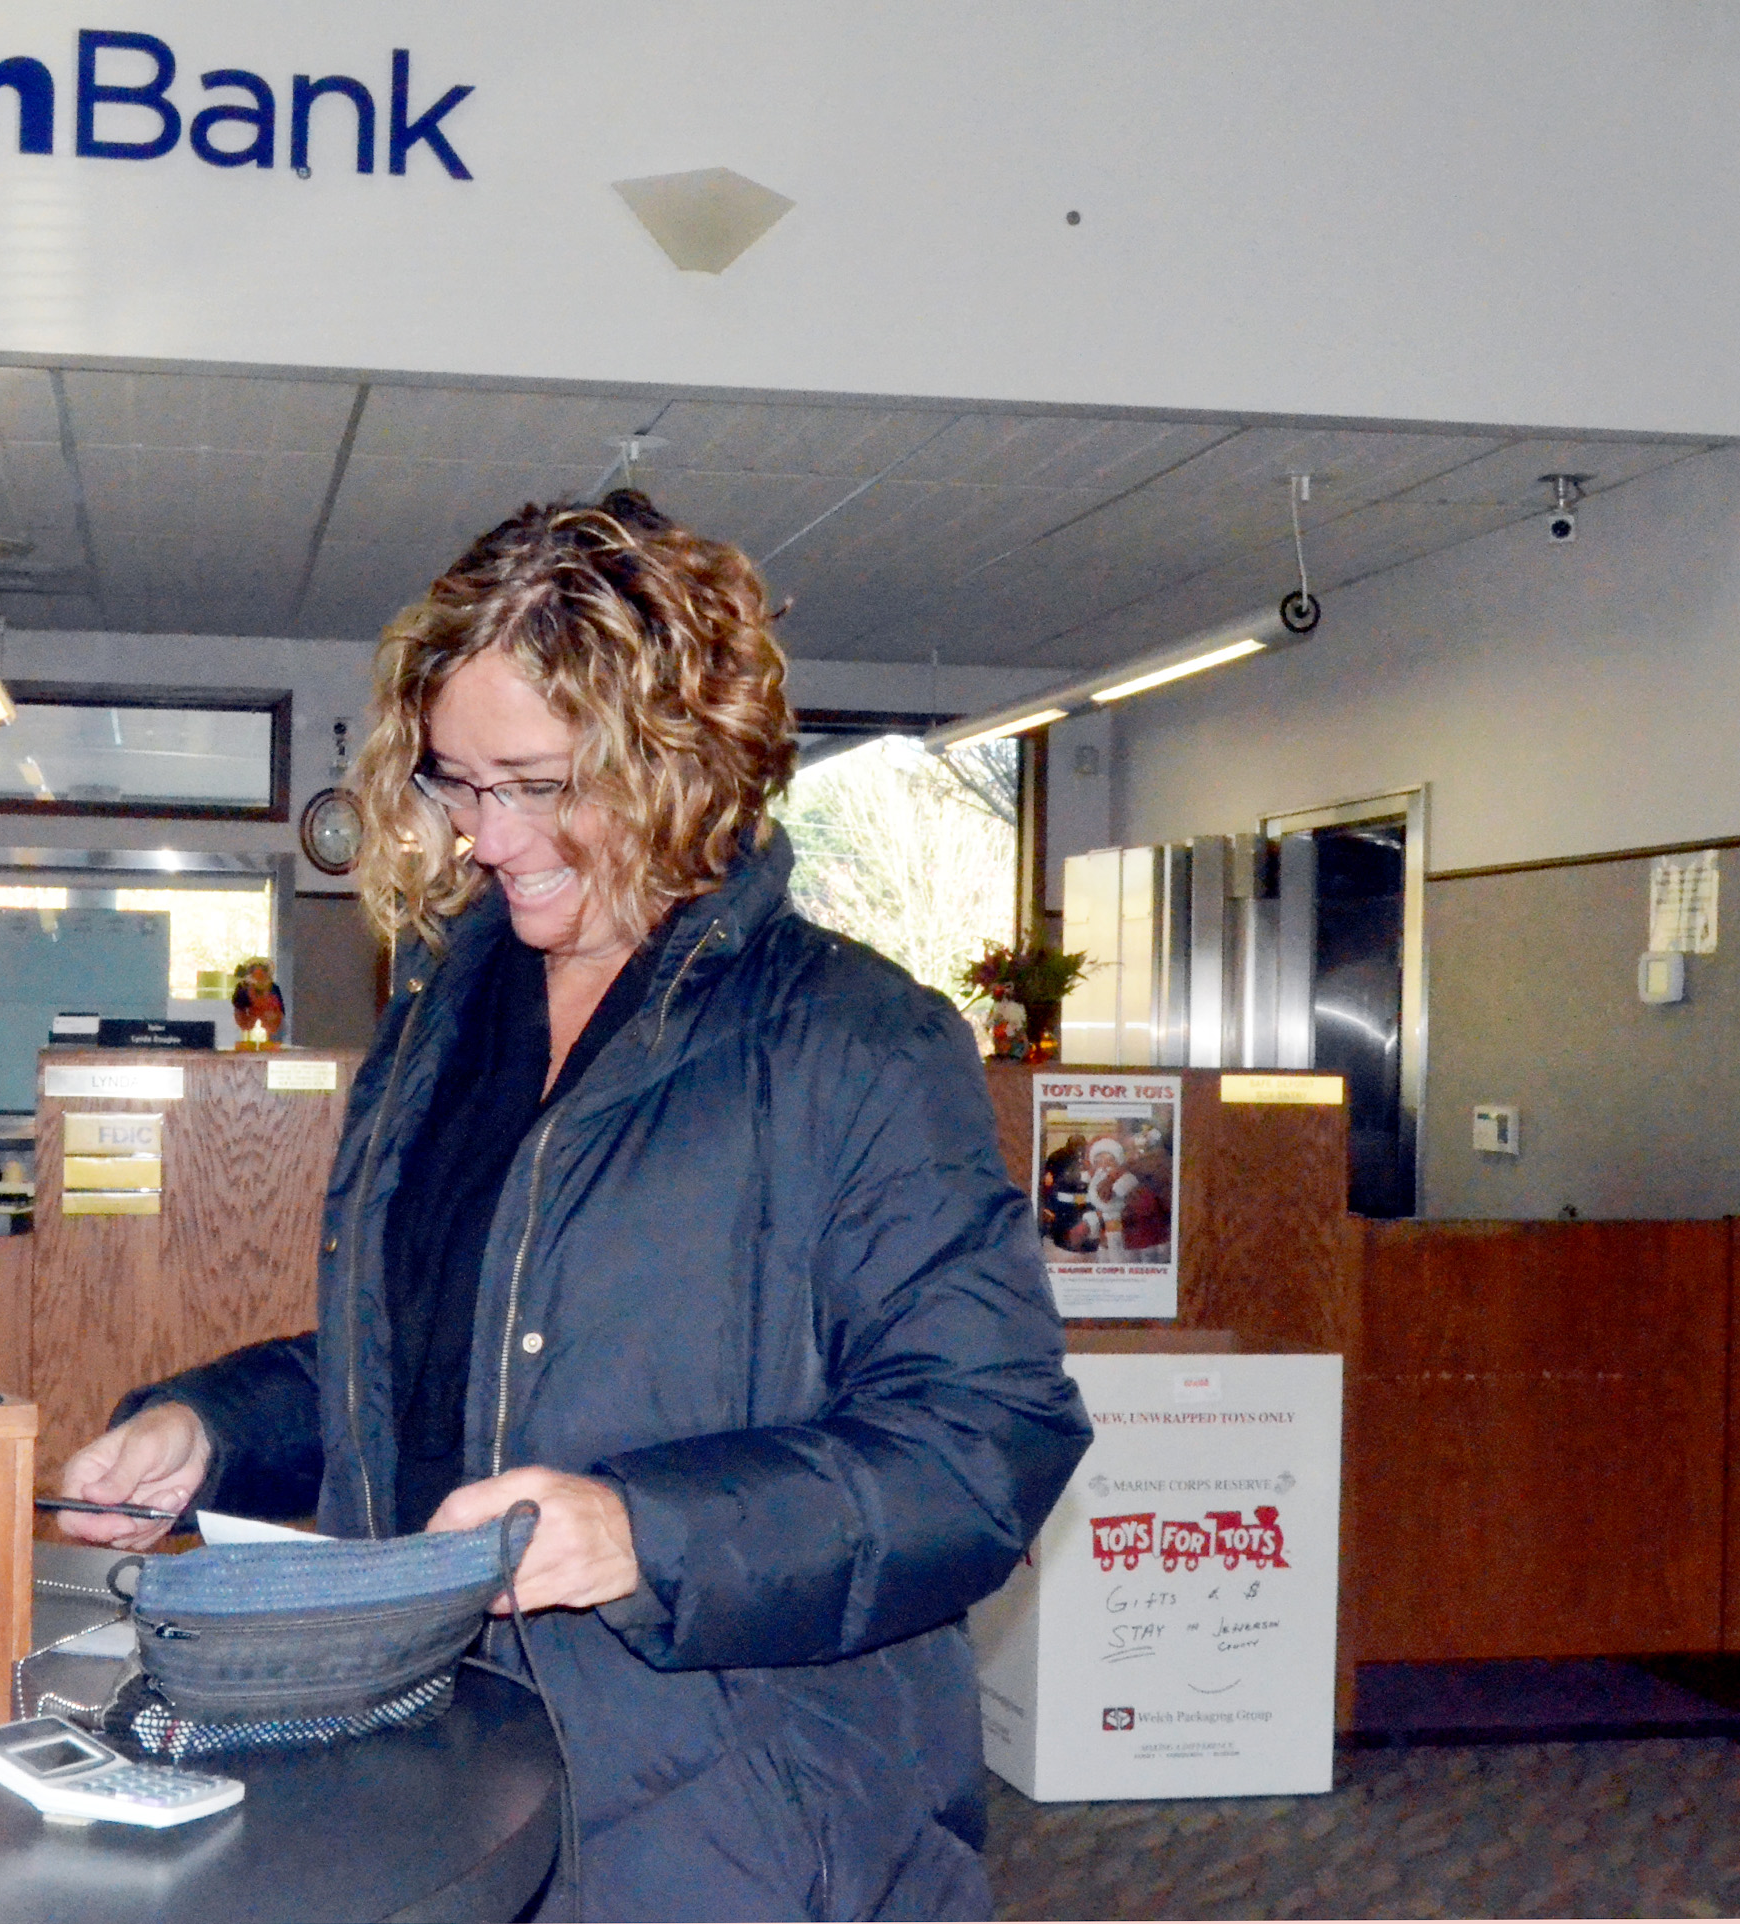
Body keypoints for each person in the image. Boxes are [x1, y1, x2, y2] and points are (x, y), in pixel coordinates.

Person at [54, 492, 1091, 1922]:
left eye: (539, 786)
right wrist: (213, 1429)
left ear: (682, 758)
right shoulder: (440, 1021)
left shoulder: (855, 1042)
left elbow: (985, 1444)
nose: (488, 837)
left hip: (737, 1829)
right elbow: (429, 1364)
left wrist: (641, 1533)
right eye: (458, 783)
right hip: (445, 1776)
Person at [228, 955, 285, 1046]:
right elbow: (239, 1009)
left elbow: (278, 1013)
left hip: (270, 1027)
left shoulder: (273, 989)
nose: (259, 977)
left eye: (262, 973)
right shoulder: (243, 989)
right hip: (247, 1020)